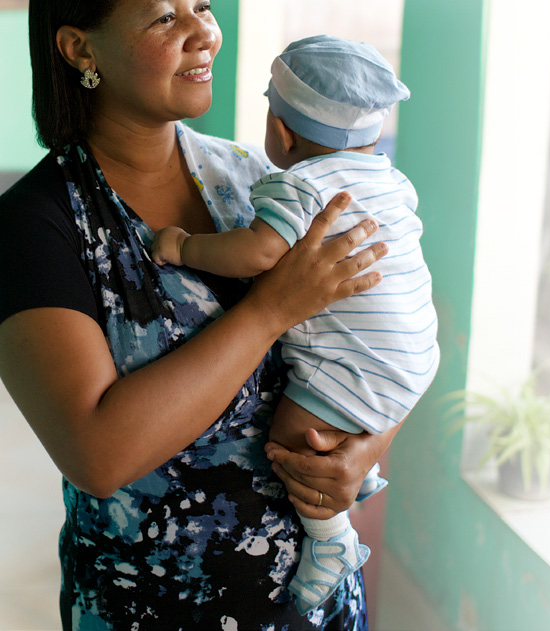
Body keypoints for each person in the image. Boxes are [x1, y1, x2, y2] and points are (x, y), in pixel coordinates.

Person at [0, 2, 402, 629]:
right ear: (81, 49)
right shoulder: (35, 227)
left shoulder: (254, 178)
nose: (204, 33)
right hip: (154, 608)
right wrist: (270, 309)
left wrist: (366, 449)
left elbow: (380, 319)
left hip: (317, 603)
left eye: (203, 6)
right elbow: (97, 457)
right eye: (165, 17)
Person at [151, 35, 440, 614]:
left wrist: (184, 246)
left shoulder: (299, 186)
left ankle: (332, 542)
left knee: (292, 444)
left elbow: (257, 253)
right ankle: (355, 470)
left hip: (355, 368)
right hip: (412, 353)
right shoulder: (391, 181)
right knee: (327, 431)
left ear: (281, 131)